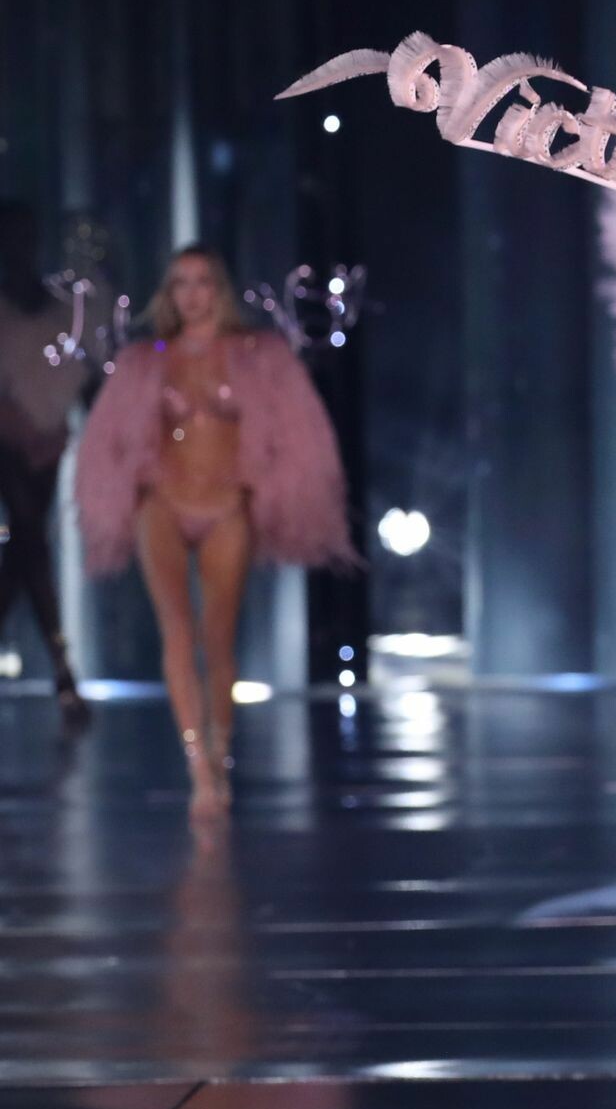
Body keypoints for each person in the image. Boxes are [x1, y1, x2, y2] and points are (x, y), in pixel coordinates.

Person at [74, 245, 355, 815]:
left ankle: (220, 752)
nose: (192, 294)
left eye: (202, 281)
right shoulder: (148, 359)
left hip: (228, 504)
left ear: (219, 289)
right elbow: (112, 437)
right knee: (177, 632)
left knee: (218, 635)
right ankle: (198, 765)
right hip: (163, 502)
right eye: (181, 282)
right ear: (169, 292)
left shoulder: (257, 355)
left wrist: (261, 486)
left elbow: (297, 433)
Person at [0, 200, 99, 725]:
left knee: (26, 550)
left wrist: (57, 427)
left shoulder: (59, 310)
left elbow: (78, 374)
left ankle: (65, 675)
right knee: (29, 545)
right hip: (12, 442)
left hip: (45, 442)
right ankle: (63, 674)